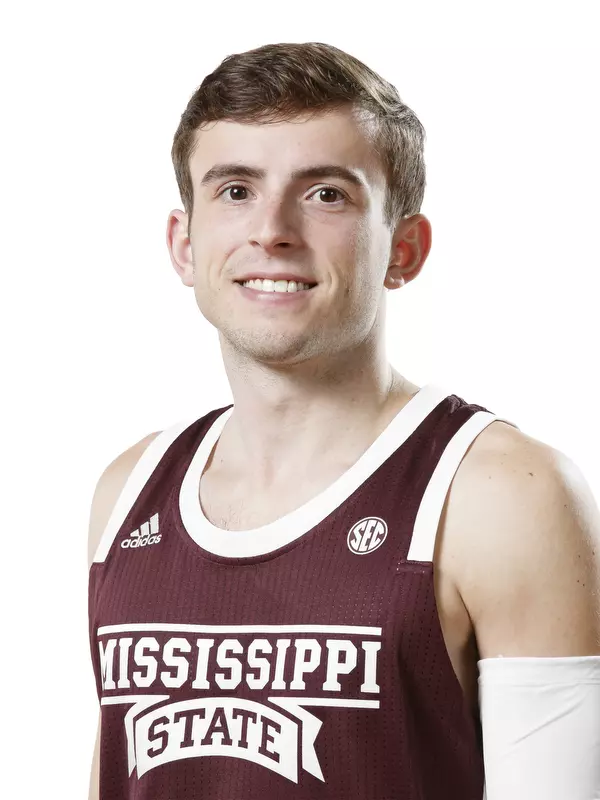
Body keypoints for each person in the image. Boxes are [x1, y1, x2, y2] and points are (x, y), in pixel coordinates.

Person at [87, 41, 600, 800]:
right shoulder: (129, 490)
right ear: (184, 245)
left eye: (326, 193)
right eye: (234, 191)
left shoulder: (505, 495)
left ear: (404, 248)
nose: (272, 229)